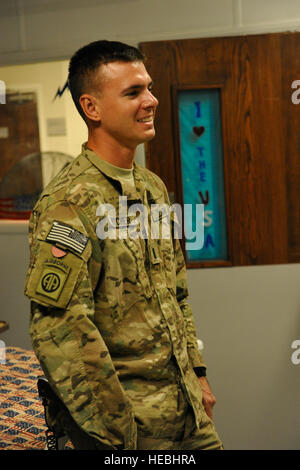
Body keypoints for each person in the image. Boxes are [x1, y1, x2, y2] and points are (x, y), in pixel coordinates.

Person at [24, 40, 223, 450]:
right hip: (127, 429)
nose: (150, 101)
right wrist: (116, 434)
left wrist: (198, 374)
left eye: (148, 88)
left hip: (188, 412)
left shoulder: (152, 188)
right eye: (132, 92)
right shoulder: (70, 202)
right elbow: (60, 330)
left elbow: (176, 292)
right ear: (92, 108)